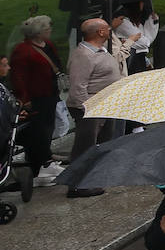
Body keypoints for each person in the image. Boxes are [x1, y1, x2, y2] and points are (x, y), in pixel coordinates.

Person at [65, 19, 122, 192]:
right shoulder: (83, 55)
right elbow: (77, 87)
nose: (110, 29)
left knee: (100, 145)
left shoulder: (98, 51)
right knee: (85, 147)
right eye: (107, 28)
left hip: (103, 106)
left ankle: (92, 178)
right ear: (100, 33)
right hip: (90, 108)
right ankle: (77, 186)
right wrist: (89, 110)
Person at [9, 15, 64, 186]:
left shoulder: (48, 45)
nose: (50, 31)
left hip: (50, 94)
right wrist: (24, 99)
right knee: (39, 131)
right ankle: (38, 166)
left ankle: (46, 160)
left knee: (47, 128)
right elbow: (18, 76)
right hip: (36, 97)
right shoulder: (23, 50)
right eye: (47, 29)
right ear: (38, 33)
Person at [113, 0, 158, 75]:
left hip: (139, 60)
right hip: (131, 64)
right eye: (141, 2)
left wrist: (152, 22)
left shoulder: (138, 21)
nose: (143, 4)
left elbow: (147, 40)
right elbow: (145, 42)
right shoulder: (124, 22)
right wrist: (139, 41)